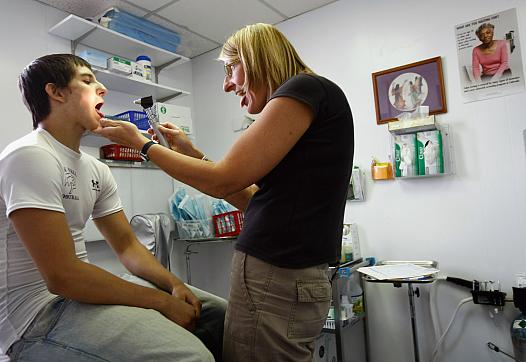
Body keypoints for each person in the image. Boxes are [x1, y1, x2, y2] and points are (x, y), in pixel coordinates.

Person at [94, 23, 354, 361]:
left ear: (256, 57)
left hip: (277, 277)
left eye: (231, 68)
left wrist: (141, 145)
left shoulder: (303, 89)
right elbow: (250, 199)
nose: (227, 84)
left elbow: (221, 180)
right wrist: (189, 153)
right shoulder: (310, 102)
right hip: (288, 278)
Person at [0, 54, 226, 362]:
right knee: (192, 357)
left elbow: (127, 244)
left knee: (219, 318)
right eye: (88, 80)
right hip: (36, 313)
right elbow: (62, 276)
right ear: (57, 92)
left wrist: (173, 285)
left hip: (77, 294)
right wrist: (160, 303)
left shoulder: (96, 169)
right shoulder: (30, 156)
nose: (102, 88)